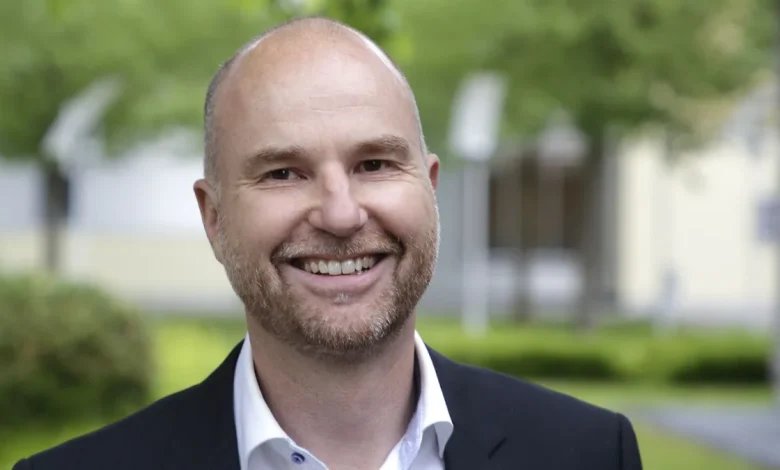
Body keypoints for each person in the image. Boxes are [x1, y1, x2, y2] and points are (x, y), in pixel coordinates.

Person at [14, 17, 642, 470]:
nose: (341, 215)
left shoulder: (587, 453)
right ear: (214, 218)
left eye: (374, 164)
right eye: (283, 173)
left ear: (429, 189)